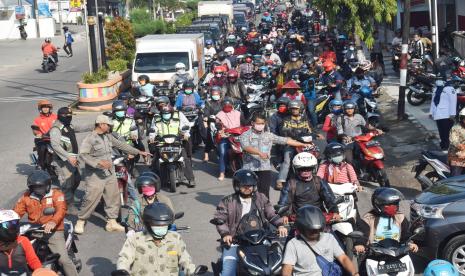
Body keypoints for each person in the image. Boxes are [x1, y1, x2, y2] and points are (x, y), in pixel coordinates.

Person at [75, 114, 151, 234]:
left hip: (109, 173)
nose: (110, 127)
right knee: (91, 197)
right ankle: (81, 220)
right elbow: (83, 155)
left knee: (113, 197)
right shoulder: (90, 138)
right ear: (101, 125)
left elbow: (121, 145)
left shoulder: (108, 137)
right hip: (95, 175)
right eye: (108, 125)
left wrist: (139, 152)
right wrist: (98, 163)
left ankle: (111, 222)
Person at [212, 169, 287, 276]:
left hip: (261, 239)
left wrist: (280, 225)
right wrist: (226, 234)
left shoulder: (261, 198)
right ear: (237, 185)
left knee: (278, 265)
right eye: (244, 185)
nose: (248, 188)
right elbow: (220, 219)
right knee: (228, 272)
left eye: (250, 185)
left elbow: (271, 213)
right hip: (235, 241)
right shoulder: (227, 201)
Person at [14, 171, 79, 276]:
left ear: (48, 186)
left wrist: (53, 222)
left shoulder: (57, 194)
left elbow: (61, 210)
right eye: (36, 187)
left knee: (63, 260)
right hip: (33, 230)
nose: (39, 189)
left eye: (41, 187)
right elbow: (16, 212)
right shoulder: (26, 197)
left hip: (53, 231)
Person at [239, 113, 311, 198]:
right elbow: (246, 147)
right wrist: (259, 153)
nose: (260, 125)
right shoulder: (245, 135)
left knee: (264, 193)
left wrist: (302, 144)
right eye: (258, 123)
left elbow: (285, 140)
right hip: (249, 168)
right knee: (248, 192)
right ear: (252, 123)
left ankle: (264, 210)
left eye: (262, 123)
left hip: (264, 168)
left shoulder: (268, 135)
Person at [117, 202, 196, 275]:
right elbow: (124, 258)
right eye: (157, 225)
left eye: (164, 225)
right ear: (148, 224)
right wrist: (123, 271)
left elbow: (185, 259)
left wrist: (192, 271)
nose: (161, 228)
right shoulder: (135, 239)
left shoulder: (175, 238)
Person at [354, 187, 418, 273]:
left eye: (396, 204)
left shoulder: (400, 217)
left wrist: (410, 243)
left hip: (397, 254)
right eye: (392, 205)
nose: (395, 207)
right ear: (380, 205)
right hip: (375, 255)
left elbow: (405, 235)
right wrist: (360, 244)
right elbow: (362, 234)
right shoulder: (368, 218)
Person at [282, 205, 358, 276]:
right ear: (303, 228)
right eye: (311, 230)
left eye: (317, 230)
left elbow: (343, 258)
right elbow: (288, 267)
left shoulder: (329, 238)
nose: (315, 232)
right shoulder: (293, 244)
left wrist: (355, 274)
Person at [49, 107, 91, 214]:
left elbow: (81, 128)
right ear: (61, 116)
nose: (69, 118)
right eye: (67, 116)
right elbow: (55, 145)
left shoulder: (69, 125)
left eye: (70, 116)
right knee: (66, 183)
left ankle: (68, 197)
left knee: (76, 179)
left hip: (72, 159)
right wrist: (68, 157)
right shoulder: (56, 128)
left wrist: (95, 126)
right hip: (62, 161)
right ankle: (68, 204)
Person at [149, 105, 196, 187]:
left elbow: (183, 128)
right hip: (162, 144)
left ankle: (191, 179)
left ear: (171, 114)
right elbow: (153, 130)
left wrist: (185, 134)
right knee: (155, 160)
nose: (166, 115)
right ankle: (155, 180)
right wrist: (151, 137)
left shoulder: (177, 120)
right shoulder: (157, 121)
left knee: (185, 159)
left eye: (167, 113)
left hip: (176, 143)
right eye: (164, 114)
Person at [284, 152, 339, 218]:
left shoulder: (319, 181)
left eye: (309, 168)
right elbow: (284, 202)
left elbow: (329, 198)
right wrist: (284, 215)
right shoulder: (291, 184)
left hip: (319, 217)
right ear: (296, 169)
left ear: (313, 168)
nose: (306, 171)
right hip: (298, 218)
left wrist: (335, 212)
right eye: (302, 169)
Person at [276, 100, 315, 189]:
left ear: (300, 109)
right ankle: (280, 180)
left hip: (304, 144)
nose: (294, 110)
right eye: (292, 109)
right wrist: (294, 135)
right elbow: (283, 131)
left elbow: (311, 130)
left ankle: (314, 177)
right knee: (287, 160)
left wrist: (315, 135)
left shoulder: (305, 120)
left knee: (314, 157)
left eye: (296, 109)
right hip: (291, 144)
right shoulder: (286, 120)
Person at [0, 209, 42, 274]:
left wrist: (41, 271)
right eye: (8, 225)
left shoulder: (23, 240)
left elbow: (33, 261)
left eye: (15, 223)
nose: (12, 228)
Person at [215, 98, 246, 180]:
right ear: (222, 106)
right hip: (226, 136)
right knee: (223, 152)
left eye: (229, 106)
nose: (227, 107)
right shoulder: (219, 115)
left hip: (238, 135)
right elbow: (217, 124)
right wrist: (220, 129)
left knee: (247, 150)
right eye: (225, 106)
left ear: (232, 106)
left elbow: (244, 123)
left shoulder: (238, 113)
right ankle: (222, 173)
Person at [32, 100, 58, 173]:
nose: (45, 109)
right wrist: (37, 133)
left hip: (55, 138)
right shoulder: (38, 120)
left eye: (47, 107)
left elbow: (62, 124)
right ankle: (41, 165)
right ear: (40, 109)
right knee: (42, 148)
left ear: (50, 108)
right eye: (43, 107)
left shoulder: (56, 117)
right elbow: (35, 130)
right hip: (43, 139)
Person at [430, 79, 457, 150]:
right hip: (437, 113)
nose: (438, 81)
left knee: (446, 132)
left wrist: (452, 114)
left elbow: (453, 101)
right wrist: (431, 112)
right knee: (441, 131)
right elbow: (433, 101)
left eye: (440, 79)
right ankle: (442, 144)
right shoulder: (436, 88)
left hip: (446, 114)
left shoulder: (450, 88)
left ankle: (446, 145)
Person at [202, 86, 223, 162]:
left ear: (220, 94)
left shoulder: (223, 102)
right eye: (214, 94)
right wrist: (206, 117)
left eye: (217, 94)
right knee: (210, 139)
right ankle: (206, 154)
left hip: (222, 123)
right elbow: (206, 112)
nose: (216, 95)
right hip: (212, 123)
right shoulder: (208, 102)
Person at [448, 108, 465, 176]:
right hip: (457, 158)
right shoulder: (456, 128)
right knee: (455, 180)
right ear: (462, 118)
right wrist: (462, 147)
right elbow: (454, 142)